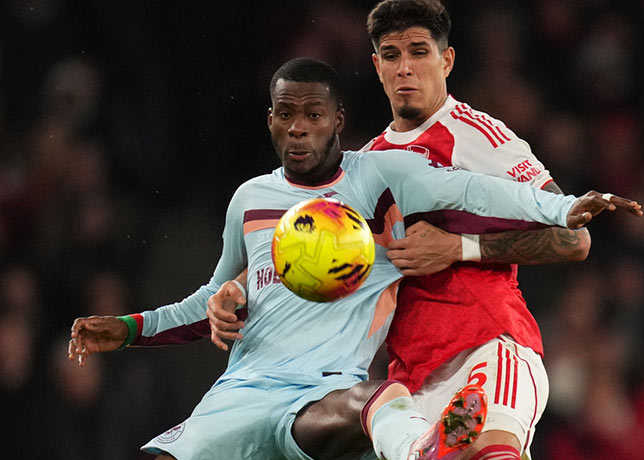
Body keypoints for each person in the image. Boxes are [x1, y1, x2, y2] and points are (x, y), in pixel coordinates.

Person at [68, 57, 640, 460]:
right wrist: (138, 325)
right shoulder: (253, 201)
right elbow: (216, 296)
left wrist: (559, 206)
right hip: (246, 393)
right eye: (286, 114)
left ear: (337, 121)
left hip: (345, 394)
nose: (298, 127)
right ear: (268, 119)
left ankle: (423, 448)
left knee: (462, 439)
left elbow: (473, 194)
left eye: (313, 115)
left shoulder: (378, 183)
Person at [211, 2, 601, 459]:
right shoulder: (366, 166)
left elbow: (575, 238)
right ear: (377, 67)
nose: (405, 68)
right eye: (392, 56)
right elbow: (311, 250)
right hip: (414, 388)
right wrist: (237, 292)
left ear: (446, 60)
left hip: (489, 351)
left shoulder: (479, 137)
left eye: (419, 52)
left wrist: (459, 247)